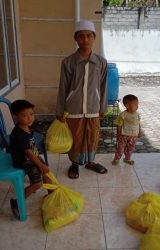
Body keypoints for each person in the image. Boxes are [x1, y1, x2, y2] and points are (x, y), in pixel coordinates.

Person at [56, 20, 108, 179]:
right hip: (74, 109)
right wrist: (59, 110)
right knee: (76, 138)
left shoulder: (101, 62)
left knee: (92, 137)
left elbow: (103, 86)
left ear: (94, 37)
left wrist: (102, 108)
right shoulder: (68, 62)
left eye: (88, 36)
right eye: (81, 36)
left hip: (93, 108)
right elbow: (63, 87)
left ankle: (90, 162)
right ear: (76, 38)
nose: (85, 39)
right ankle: (74, 164)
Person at [9, 100, 52, 218]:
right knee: (38, 183)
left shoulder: (27, 128)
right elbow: (29, 154)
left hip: (31, 157)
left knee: (47, 173)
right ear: (15, 116)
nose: (29, 118)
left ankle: (51, 196)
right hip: (23, 161)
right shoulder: (19, 134)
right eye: (24, 115)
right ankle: (16, 202)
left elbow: (32, 149)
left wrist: (42, 165)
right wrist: (40, 165)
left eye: (31, 114)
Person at [112, 94, 140, 165]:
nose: (137, 106)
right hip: (123, 135)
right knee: (120, 148)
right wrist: (118, 134)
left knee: (130, 148)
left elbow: (138, 124)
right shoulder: (123, 115)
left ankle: (127, 158)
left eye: (137, 104)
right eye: (135, 104)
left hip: (133, 136)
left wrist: (139, 132)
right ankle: (117, 159)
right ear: (127, 106)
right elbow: (119, 125)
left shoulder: (137, 114)